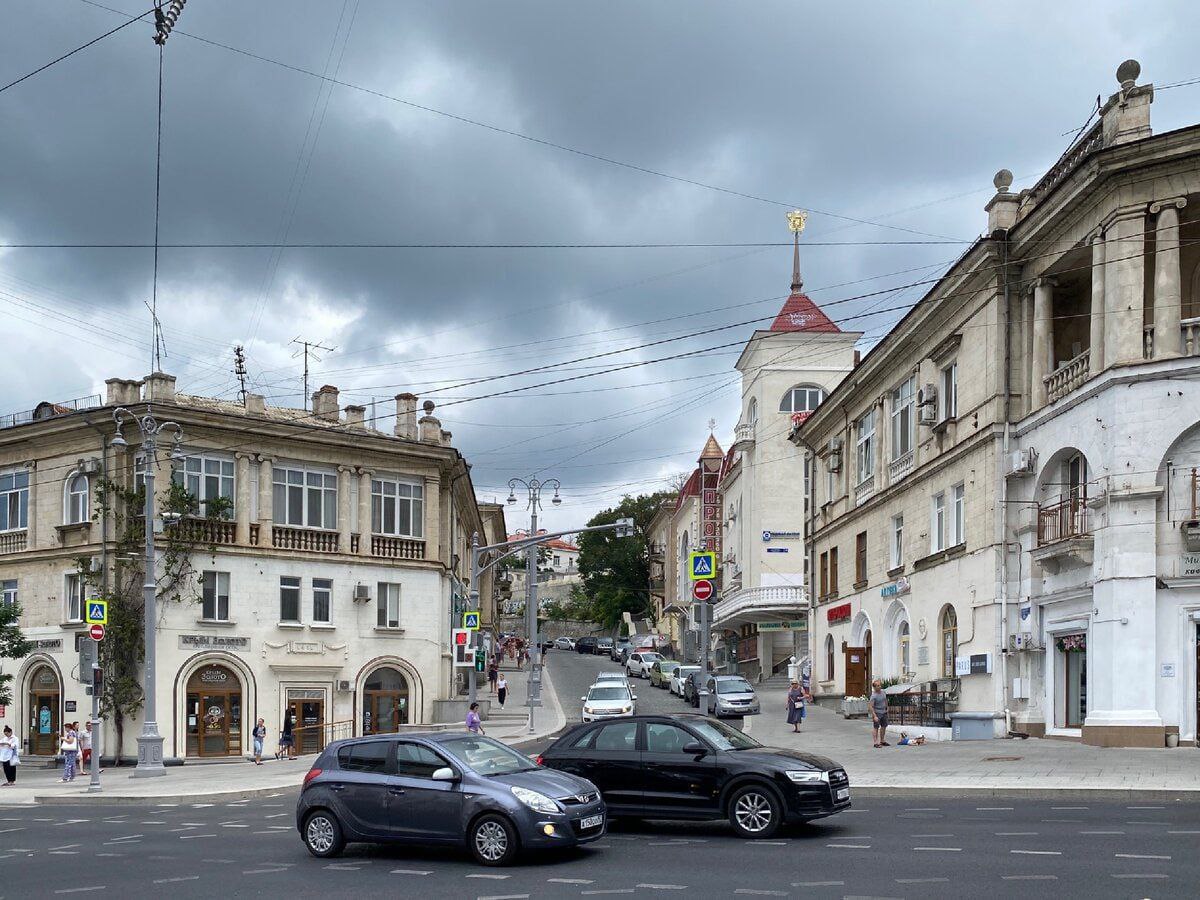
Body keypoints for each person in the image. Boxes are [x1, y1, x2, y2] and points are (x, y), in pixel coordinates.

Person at [869, 679, 890, 748]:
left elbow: (885, 700)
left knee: (884, 726)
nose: (879, 687)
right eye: (878, 686)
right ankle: (875, 742)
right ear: (874, 687)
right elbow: (871, 707)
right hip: (877, 713)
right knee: (876, 727)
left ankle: (882, 741)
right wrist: (874, 716)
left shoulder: (883, 692)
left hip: (884, 712)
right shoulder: (873, 696)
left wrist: (887, 707)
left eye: (880, 685)